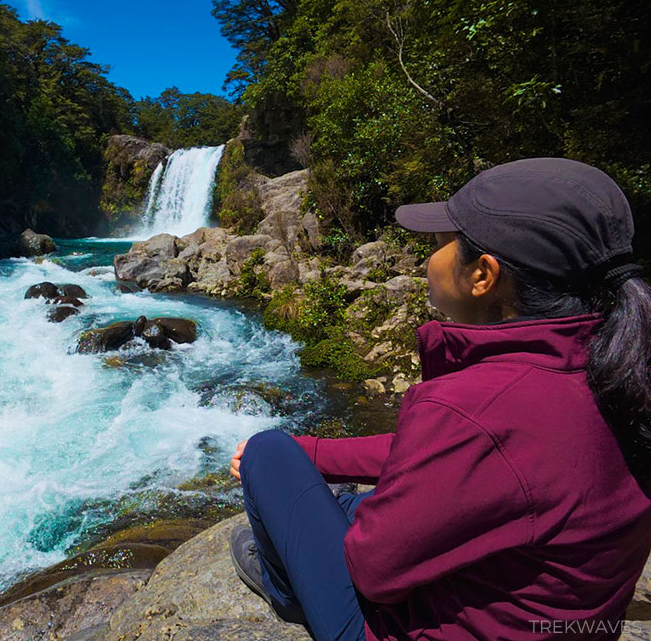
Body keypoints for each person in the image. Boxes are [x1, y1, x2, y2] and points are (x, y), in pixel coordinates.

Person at [228, 158, 651, 640]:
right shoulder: (617, 368)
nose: (428, 258)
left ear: (482, 275)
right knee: (320, 480)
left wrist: (318, 484)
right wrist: (317, 454)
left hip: (395, 629)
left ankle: (285, 587)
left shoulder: (474, 405)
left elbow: (375, 572)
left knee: (268, 449)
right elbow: (455, 454)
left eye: (441, 244)